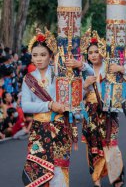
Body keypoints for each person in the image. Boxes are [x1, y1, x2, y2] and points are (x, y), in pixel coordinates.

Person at [21, 30, 78, 186]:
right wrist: (49, 104)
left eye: (43, 55)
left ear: (51, 56)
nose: (38, 59)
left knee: (59, 167)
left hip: (59, 126)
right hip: (39, 129)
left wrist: (80, 66)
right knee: (36, 167)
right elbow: (25, 106)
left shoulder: (60, 73)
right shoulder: (28, 79)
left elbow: (74, 94)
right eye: (35, 55)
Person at [82, 31, 126, 187]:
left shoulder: (110, 66)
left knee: (111, 146)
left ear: (102, 52)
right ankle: (96, 179)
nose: (93, 55)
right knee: (93, 147)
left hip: (108, 113)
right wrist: (85, 86)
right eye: (90, 52)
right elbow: (76, 98)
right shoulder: (84, 71)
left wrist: (121, 68)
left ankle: (117, 176)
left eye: (96, 51)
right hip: (91, 114)